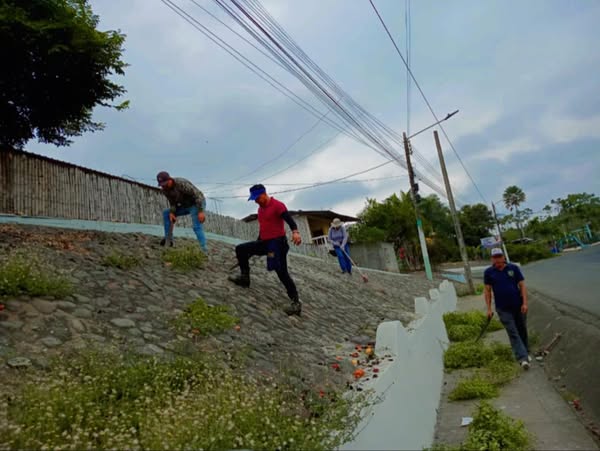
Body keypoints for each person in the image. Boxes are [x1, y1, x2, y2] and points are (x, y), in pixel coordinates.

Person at [228, 184, 303, 316]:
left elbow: (290, 221)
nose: (256, 201)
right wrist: (255, 246)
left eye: (257, 198)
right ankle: (245, 278)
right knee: (241, 249)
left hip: (278, 244)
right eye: (254, 199)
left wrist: (295, 232)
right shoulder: (260, 210)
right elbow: (264, 228)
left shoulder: (278, 205)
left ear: (264, 194)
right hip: (265, 242)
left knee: (281, 271)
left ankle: (296, 302)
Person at [484, 247, 531, 369]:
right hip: (503, 309)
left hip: (518, 306)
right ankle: (522, 358)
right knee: (512, 332)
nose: (498, 260)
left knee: (522, 330)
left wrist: (525, 303)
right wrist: (488, 309)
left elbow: (522, 286)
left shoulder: (513, 268)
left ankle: (525, 351)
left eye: (499, 257)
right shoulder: (489, 272)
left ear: (503, 257)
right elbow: (487, 291)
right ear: (492, 259)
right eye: (495, 257)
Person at [156, 171, 207, 252]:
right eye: (162, 185)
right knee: (166, 213)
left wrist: (200, 211)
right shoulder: (165, 190)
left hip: (196, 204)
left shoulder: (181, 183)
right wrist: (172, 212)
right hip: (185, 206)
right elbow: (172, 203)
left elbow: (197, 195)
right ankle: (169, 240)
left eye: (165, 184)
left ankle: (204, 250)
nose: (164, 186)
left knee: (196, 227)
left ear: (170, 180)